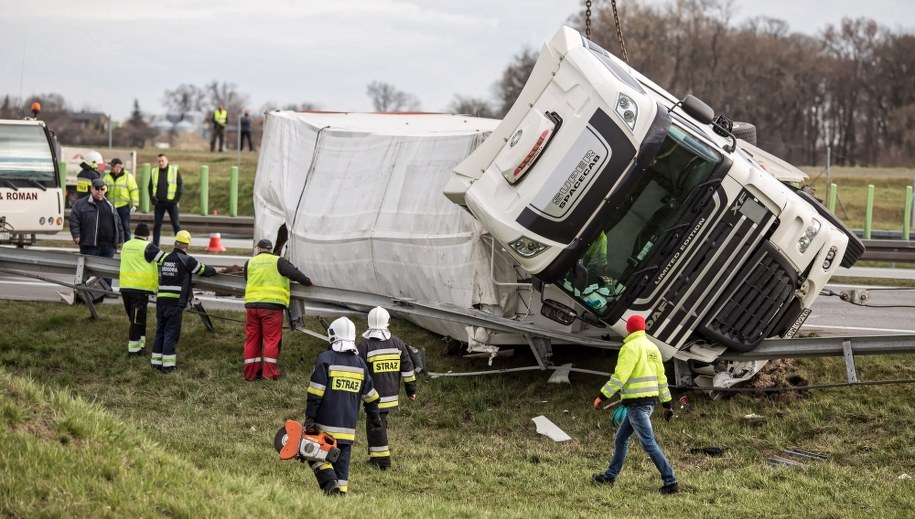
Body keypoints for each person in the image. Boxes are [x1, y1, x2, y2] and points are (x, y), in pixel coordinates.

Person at [591, 314, 680, 495]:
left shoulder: (629, 348)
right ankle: (609, 477)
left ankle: (671, 482)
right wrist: (667, 404)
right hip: (648, 402)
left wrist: (602, 396)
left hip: (637, 405)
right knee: (621, 439)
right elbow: (661, 379)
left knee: (648, 443)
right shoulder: (653, 348)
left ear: (628, 329)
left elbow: (620, 377)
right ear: (644, 328)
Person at [304, 317, 383, 495]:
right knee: (342, 465)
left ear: (332, 335)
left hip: (324, 427)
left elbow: (315, 394)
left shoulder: (325, 359)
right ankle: (340, 497)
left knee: (312, 453)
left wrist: (310, 418)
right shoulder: (360, 364)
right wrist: (375, 418)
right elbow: (371, 396)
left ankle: (329, 482)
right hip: (348, 430)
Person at [242, 238, 313, 381]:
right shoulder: (278, 261)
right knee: (271, 340)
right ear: (270, 249)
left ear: (258, 249)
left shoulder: (249, 263)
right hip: (272, 308)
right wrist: (307, 282)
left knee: (252, 340)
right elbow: (295, 273)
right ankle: (269, 374)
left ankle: (250, 374)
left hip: (252, 307)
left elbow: (247, 279)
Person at [357, 306, 417, 470]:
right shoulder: (397, 343)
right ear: (387, 322)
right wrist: (411, 390)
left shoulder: (365, 346)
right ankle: (376, 458)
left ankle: (383, 462)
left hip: (374, 396)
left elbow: (358, 370)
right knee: (377, 423)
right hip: (391, 395)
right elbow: (407, 368)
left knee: (376, 425)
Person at [151, 230, 216, 373]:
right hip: (175, 302)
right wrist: (214, 271)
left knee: (160, 331)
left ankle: (155, 364)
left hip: (161, 300)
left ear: (175, 243)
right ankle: (168, 367)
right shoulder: (187, 260)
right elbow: (203, 270)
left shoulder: (166, 258)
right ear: (187, 245)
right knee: (171, 333)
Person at [69, 177, 124, 297]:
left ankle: (106, 291)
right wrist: (76, 235)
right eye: (97, 189)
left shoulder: (109, 204)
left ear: (105, 190)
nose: (100, 191)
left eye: (102, 189)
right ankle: (80, 291)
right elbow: (74, 219)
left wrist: (120, 239)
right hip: (90, 244)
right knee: (86, 269)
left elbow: (118, 222)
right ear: (91, 189)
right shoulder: (81, 204)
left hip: (108, 244)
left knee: (106, 269)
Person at [118, 223, 164, 356]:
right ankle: (133, 351)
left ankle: (140, 346)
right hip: (140, 290)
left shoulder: (126, 245)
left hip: (125, 288)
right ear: (147, 236)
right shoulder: (148, 247)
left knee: (136, 319)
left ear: (135, 234)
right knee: (137, 321)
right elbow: (164, 259)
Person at [149, 153, 182, 247]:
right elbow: (150, 186)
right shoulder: (154, 171)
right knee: (157, 226)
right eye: (159, 161)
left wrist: (176, 199)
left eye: (162, 161)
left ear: (167, 161)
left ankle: (180, 245)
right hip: (159, 203)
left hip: (172, 203)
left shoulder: (174, 170)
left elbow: (180, 186)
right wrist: (152, 198)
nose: (161, 163)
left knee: (176, 224)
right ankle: (155, 246)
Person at [103, 158, 139, 240]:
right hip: (111, 206)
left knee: (126, 227)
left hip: (123, 206)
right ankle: (113, 246)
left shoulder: (128, 177)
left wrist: (135, 204)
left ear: (118, 167)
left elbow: (133, 190)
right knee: (111, 227)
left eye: (112, 166)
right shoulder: (107, 177)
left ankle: (127, 246)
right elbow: (103, 190)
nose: (111, 168)